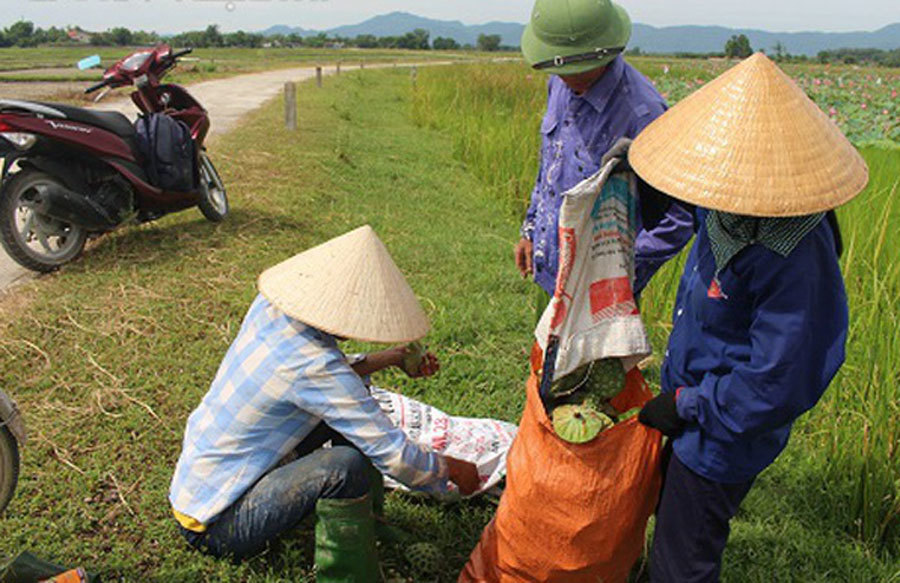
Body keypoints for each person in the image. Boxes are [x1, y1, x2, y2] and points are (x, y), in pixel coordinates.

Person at [630, 53, 869, 582]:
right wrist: (636, 175)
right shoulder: (727, 207)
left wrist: (689, 403)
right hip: (694, 410)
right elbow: (680, 210)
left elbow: (780, 379)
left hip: (723, 430)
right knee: (671, 525)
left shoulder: (794, 256)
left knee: (684, 557)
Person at [168, 225, 480, 581]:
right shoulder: (314, 366)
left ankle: (369, 520)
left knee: (349, 411)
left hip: (195, 489)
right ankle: (348, 574)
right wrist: (451, 470)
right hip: (217, 524)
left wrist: (391, 358)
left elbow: (328, 380)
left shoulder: (272, 310)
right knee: (343, 466)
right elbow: (394, 456)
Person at [514, 0, 694, 311]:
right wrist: (530, 231)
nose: (562, 76)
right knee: (546, 359)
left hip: (602, 295)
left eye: (572, 68)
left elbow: (679, 216)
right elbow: (550, 167)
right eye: (555, 67)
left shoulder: (643, 113)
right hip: (551, 270)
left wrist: (615, 275)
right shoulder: (558, 83)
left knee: (598, 362)